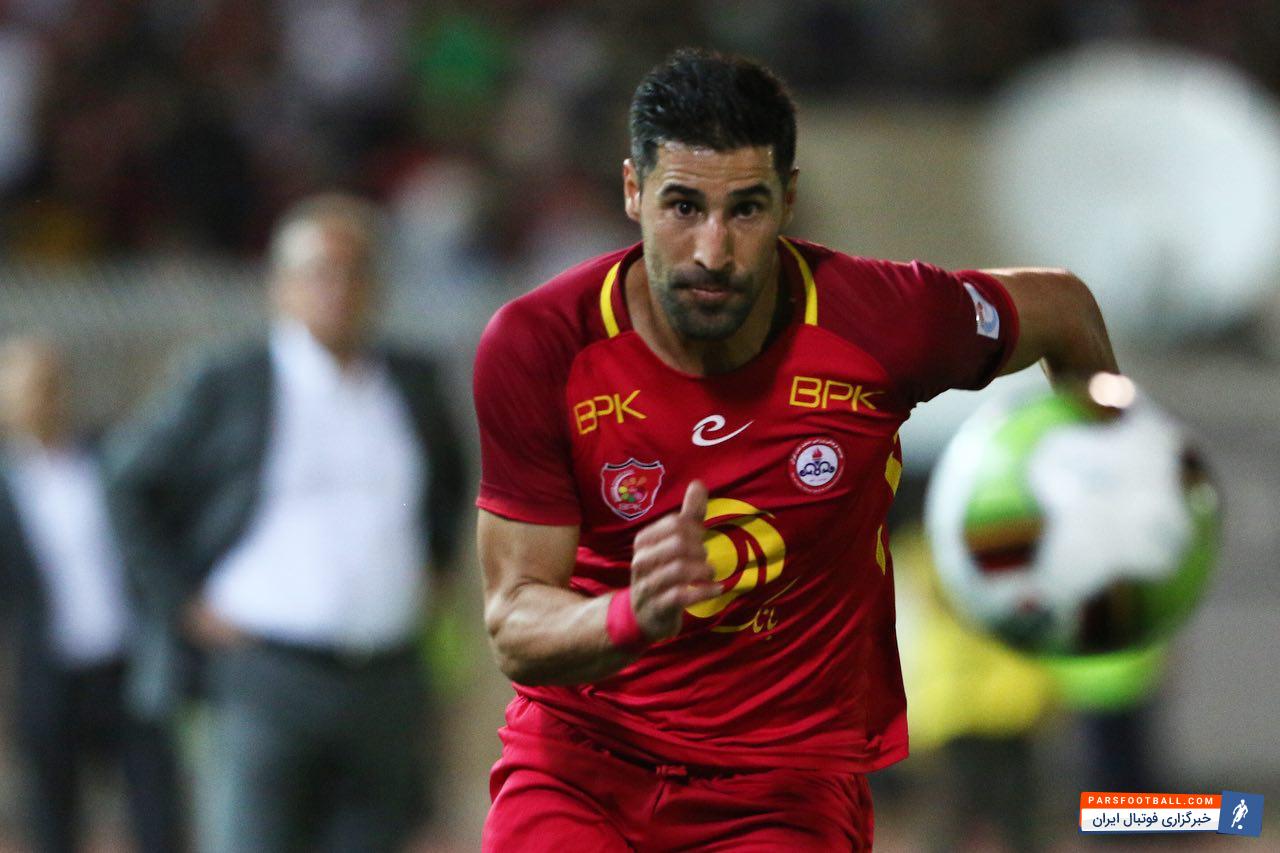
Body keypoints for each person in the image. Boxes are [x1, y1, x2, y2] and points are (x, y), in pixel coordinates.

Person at [473, 49, 1119, 851]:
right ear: (633, 190)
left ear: (788, 198)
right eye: (682, 206)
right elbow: (515, 623)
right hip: (582, 764)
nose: (712, 251)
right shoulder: (540, 345)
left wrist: (1109, 471)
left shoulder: (886, 320)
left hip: (783, 786)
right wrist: (629, 614)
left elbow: (1063, 309)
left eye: (745, 209)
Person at [105, 194, 466, 853]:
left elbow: (448, 484)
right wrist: (181, 600)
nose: (338, 287)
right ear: (281, 284)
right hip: (265, 675)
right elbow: (128, 483)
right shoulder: (230, 381)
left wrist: (433, 568)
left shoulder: (411, 382)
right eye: (319, 270)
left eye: (355, 270)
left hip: (385, 676)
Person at [0, 337, 183, 853]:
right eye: (26, 390)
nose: (40, 400)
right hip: (50, 672)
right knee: (53, 815)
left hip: (126, 661)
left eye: (49, 387)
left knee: (155, 805)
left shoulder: (109, 457)